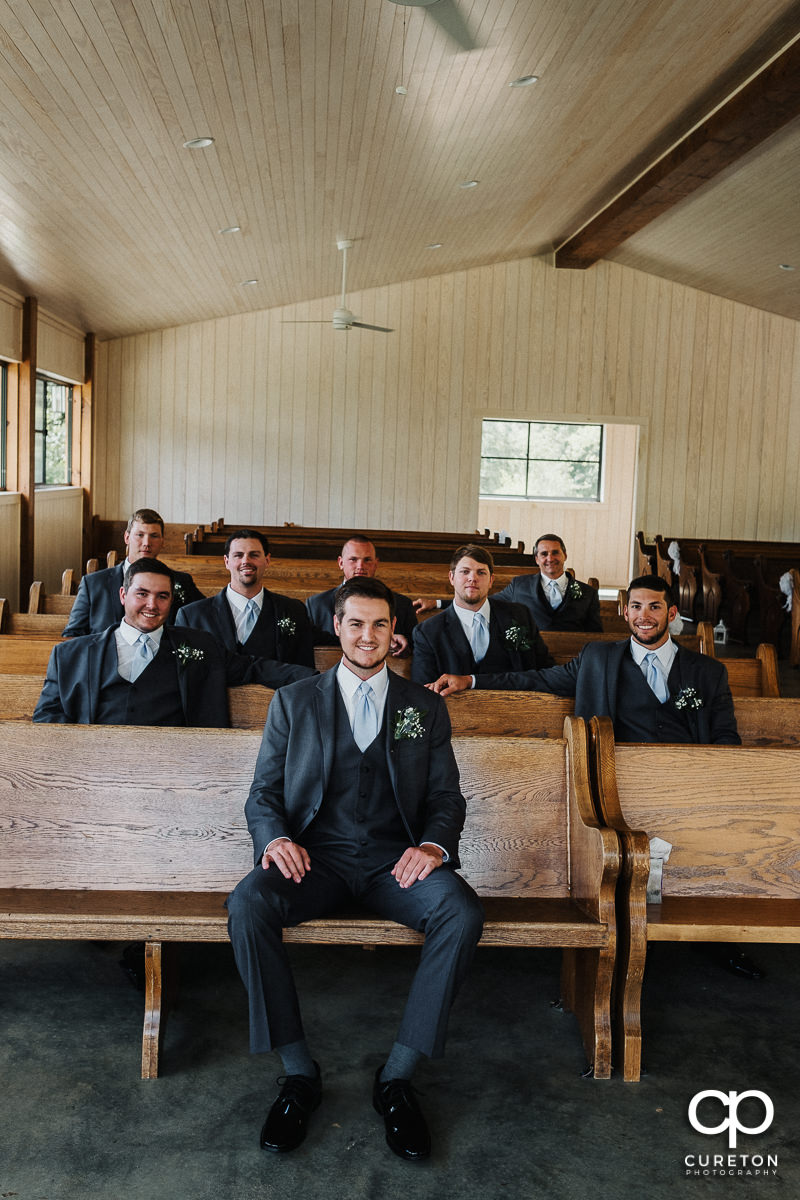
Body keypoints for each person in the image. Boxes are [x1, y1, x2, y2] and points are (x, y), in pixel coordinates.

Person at [226, 576, 483, 1161]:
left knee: (461, 912)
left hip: (397, 863)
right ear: (337, 627)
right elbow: (263, 792)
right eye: (356, 623)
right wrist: (276, 838)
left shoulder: (423, 706)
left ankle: (397, 1077)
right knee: (247, 905)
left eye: (380, 624)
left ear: (395, 634)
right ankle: (297, 1074)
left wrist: (434, 847)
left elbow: (446, 797)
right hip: (316, 860)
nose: (368, 635)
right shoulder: (293, 701)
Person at [429, 574, 739, 744]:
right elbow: (537, 678)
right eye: (636, 607)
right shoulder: (597, 658)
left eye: (654, 607)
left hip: (685, 778)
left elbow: (725, 737)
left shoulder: (708, 671)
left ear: (671, 613)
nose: (644, 616)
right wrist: (470, 680)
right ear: (626, 611)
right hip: (614, 779)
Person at [34, 559, 316, 725]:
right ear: (123, 595)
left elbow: (255, 668)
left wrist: (323, 680)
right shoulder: (70, 655)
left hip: (177, 772)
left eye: (162, 596)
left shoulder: (201, 647)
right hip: (93, 772)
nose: (152, 605)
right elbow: (47, 718)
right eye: (142, 594)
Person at [410, 543, 553, 686]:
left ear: (491, 580)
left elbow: (545, 670)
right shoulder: (427, 632)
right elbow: (422, 692)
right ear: (451, 577)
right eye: (465, 572)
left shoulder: (519, 616)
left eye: (481, 572)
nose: (473, 578)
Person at [175, 529, 314, 668]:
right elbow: (183, 673)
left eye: (254, 555)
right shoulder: (191, 616)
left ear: (267, 560)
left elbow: (304, 671)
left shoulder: (293, 610)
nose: (246, 561)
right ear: (226, 561)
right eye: (238, 555)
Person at [414, 534, 603, 633]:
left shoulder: (588, 592)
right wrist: (437, 603)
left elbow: (595, 635)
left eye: (555, 553)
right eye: (544, 554)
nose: (550, 558)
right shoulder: (519, 585)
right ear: (536, 558)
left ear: (565, 555)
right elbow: (483, 600)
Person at [62, 508, 203, 637]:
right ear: (127, 538)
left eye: (154, 536)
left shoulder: (181, 582)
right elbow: (73, 634)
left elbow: (205, 618)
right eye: (140, 535)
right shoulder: (93, 583)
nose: (147, 543)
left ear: (162, 541)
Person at [306, 535, 416, 655]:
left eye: (367, 560)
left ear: (376, 564)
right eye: (353, 559)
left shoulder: (402, 604)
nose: (360, 566)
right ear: (341, 563)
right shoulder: (316, 604)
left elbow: (416, 646)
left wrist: (398, 641)